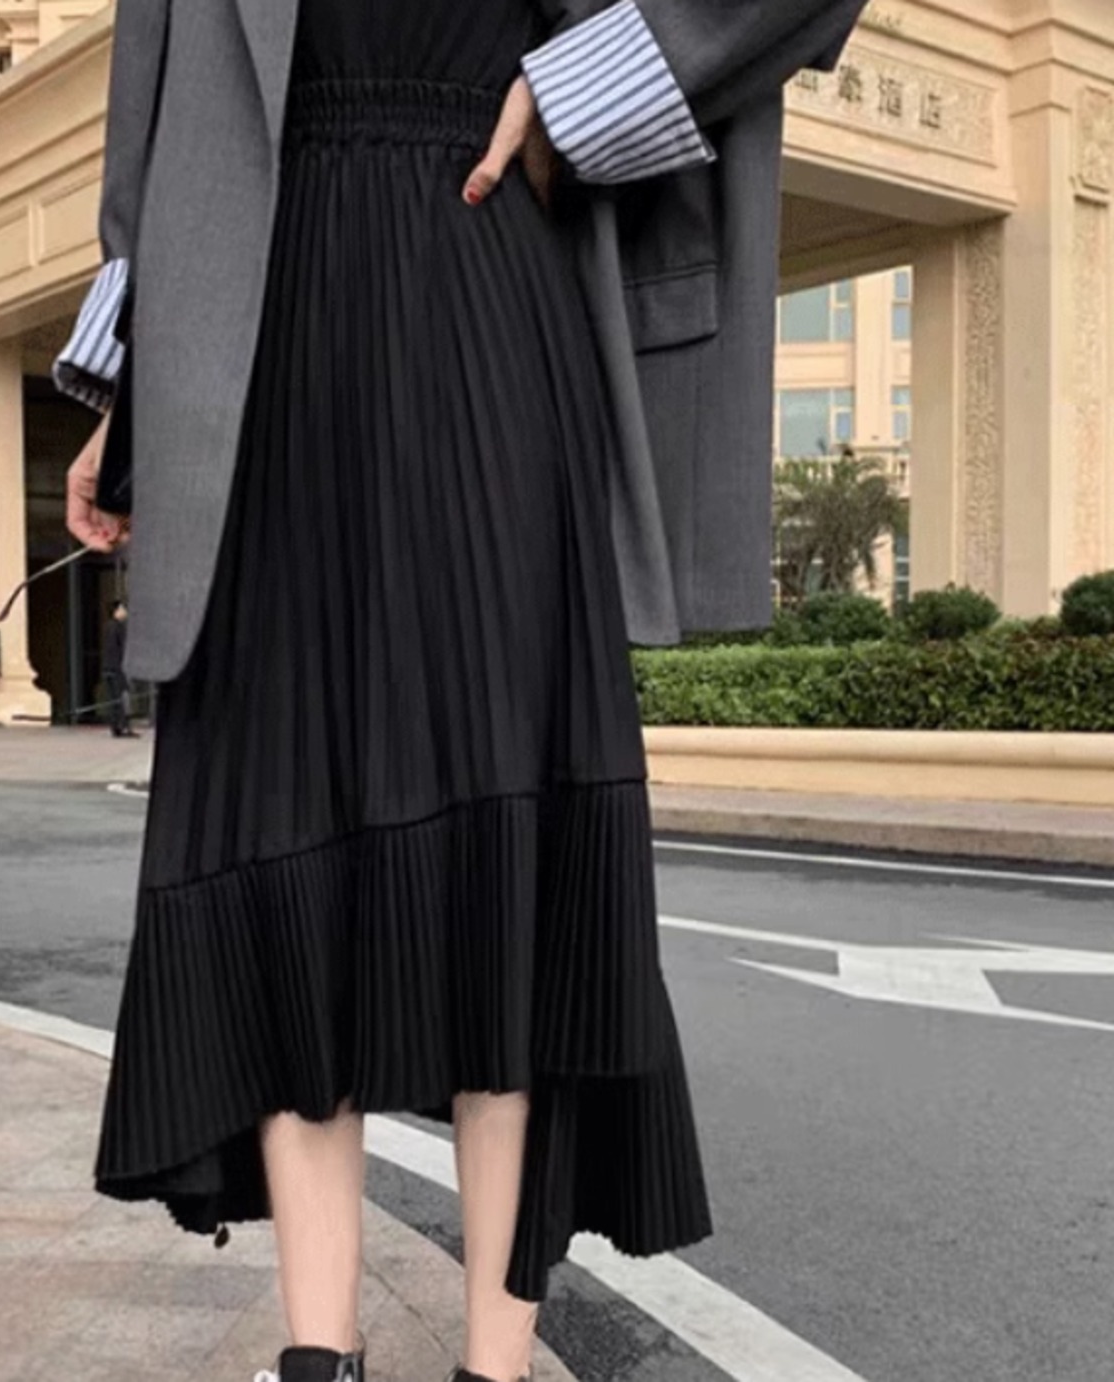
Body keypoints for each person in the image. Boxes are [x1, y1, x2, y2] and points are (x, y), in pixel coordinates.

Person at [56, 3, 867, 1380]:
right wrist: (125, 396)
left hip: (485, 285)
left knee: (509, 843)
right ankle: (318, 1356)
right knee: (279, 826)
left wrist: (582, 85)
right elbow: (160, 111)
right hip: (250, 354)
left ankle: (495, 1365)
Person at [101, 599, 137, 738]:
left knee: (113, 699)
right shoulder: (119, 628)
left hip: (108, 667)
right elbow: (122, 649)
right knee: (122, 697)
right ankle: (123, 726)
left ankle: (116, 726)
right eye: (122, 609)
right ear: (116, 611)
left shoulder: (107, 627)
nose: (125, 612)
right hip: (118, 668)